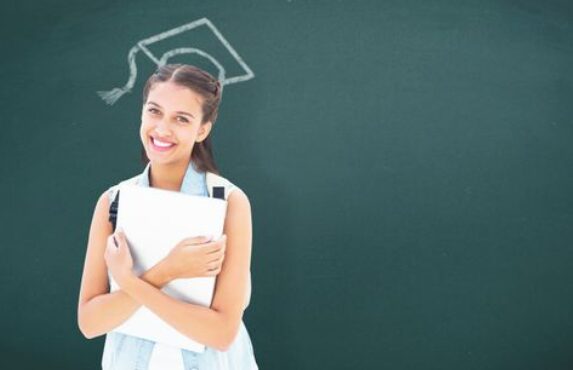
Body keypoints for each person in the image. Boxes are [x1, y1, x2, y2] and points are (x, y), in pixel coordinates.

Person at [77, 64, 258, 369]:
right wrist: (166, 271)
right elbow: (91, 323)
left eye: (181, 119)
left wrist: (128, 282)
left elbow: (221, 333)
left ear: (203, 129)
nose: (162, 129)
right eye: (154, 111)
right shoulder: (113, 202)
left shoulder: (229, 202)